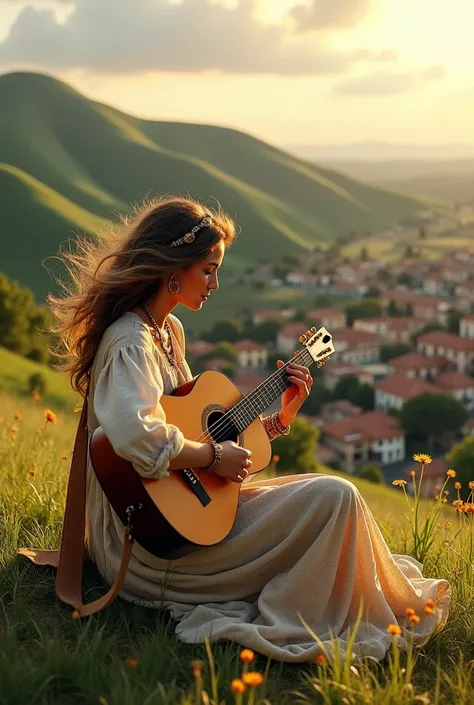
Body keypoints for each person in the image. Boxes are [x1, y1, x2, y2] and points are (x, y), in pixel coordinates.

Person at [47, 196, 450, 663]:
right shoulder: (130, 342)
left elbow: (195, 429)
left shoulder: (167, 330)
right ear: (172, 268)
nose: (216, 283)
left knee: (333, 500)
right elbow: (135, 436)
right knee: (334, 496)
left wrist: (280, 420)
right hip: (146, 549)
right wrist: (215, 459)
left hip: (184, 519)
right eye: (209, 270)